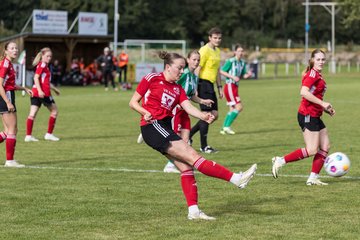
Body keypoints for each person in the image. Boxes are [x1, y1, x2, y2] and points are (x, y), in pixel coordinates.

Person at [129, 51, 257, 220]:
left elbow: (188, 108)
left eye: (183, 68)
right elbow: (132, 102)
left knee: (187, 168)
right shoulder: (151, 78)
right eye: (179, 68)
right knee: (193, 155)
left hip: (164, 128)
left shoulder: (177, 88)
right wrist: (144, 112)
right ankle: (236, 179)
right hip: (152, 126)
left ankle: (194, 211)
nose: (182, 72)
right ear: (168, 67)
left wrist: (203, 115)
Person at [271, 49, 335, 186]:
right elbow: (303, 92)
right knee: (312, 149)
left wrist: (324, 108)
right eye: (318, 59)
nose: (321, 62)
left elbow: (315, 95)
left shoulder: (318, 74)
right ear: (312, 60)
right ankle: (280, 160)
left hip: (315, 114)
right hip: (307, 114)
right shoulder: (313, 74)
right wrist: (323, 103)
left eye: (323, 59)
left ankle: (313, 178)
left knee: (325, 146)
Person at [163, 50, 214, 173]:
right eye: (194, 59)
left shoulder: (194, 77)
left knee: (185, 140)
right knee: (175, 139)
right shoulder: (183, 74)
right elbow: (171, 88)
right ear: (188, 60)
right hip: (177, 111)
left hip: (185, 111)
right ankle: (170, 165)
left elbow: (191, 96)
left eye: (198, 60)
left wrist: (203, 101)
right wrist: (176, 103)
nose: (196, 62)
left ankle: (178, 165)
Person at [189, 27, 223, 154]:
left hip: (211, 85)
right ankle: (204, 146)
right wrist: (195, 87)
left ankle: (189, 135)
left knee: (214, 115)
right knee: (208, 115)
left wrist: (220, 87)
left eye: (219, 38)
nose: (217, 40)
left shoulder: (217, 51)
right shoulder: (204, 50)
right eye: (215, 37)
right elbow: (198, 68)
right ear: (209, 38)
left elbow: (217, 70)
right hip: (202, 84)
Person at [0, 41, 32, 167]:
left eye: (16, 48)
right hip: (5, 96)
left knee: (8, 130)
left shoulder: (9, 64)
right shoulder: (5, 64)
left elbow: (10, 84)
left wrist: (24, 88)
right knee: (12, 129)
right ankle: (10, 161)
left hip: (8, 94)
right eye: (12, 48)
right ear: (6, 51)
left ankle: (10, 160)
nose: (15, 50)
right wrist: (8, 102)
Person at [25, 47, 61, 142]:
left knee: (32, 114)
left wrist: (55, 89)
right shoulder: (42, 65)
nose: (49, 58)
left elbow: (45, 81)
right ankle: (49, 134)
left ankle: (28, 136)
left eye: (50, 56)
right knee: (54, 111)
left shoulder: (43, 65)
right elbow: (36, 78)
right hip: (43, 93)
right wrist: (41, 91)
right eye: (47, 56)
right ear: (42, 56)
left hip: (35, 92)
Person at [219, 44, 253, 135]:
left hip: (235, 87)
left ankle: (223, 128)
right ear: (235, 52)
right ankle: (227, 127)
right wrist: (232, 77)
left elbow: (244, 75)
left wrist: (248, 74)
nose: (241, 53)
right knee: (239, 107)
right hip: (230, 85)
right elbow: (222, 71)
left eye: (242, 51)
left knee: (232, 108)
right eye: (239, 51)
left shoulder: (242, 62)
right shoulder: (230, 61)